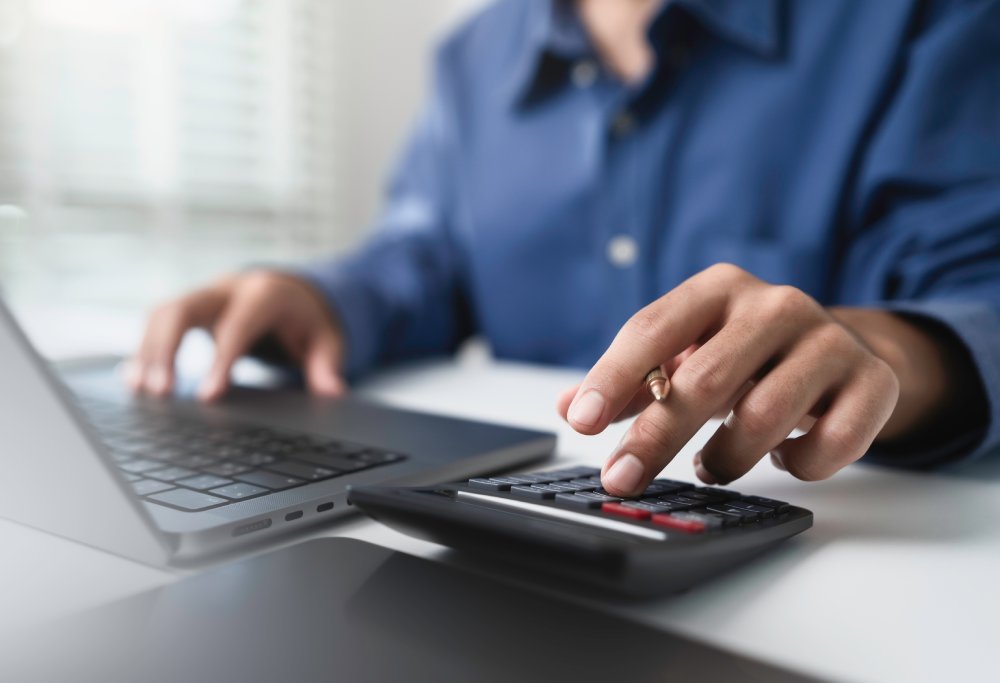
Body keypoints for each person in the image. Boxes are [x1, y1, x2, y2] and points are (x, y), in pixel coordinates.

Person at [128, 0, 1000, 497]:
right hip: (497, 546)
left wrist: (876, 350)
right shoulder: (472, 56)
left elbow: (980, 294)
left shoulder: (920, 19)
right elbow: (424, 252)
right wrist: (316, 295)